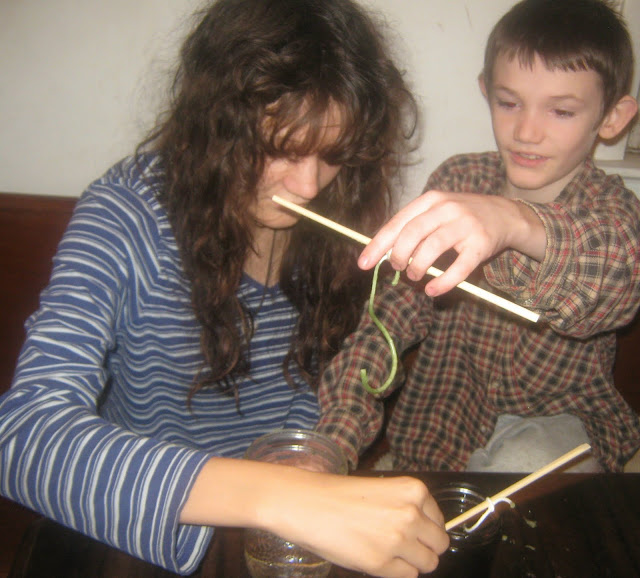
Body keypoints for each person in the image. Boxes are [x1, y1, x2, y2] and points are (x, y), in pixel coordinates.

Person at [0, 0, 451, 575]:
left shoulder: (344, 220)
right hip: (149, 529)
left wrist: (314, 466)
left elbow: (325, 385)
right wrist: (282, 497)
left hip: (287, 524)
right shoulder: (126, 217)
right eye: (282, 149)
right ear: (219, 126)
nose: (309, 185)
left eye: (333, 154)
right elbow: (23, 437)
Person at [315, 0, 640, 474]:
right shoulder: (458, 180)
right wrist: (336, 436)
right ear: (486, 90)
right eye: (509, 103)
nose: (527, 131)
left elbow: (618, 278)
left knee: (526, 463)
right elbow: (389, 318)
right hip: (435, 438)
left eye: (561, 111)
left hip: (560, 430)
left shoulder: (613, 209)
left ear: (612, 118)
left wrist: (513, 222)